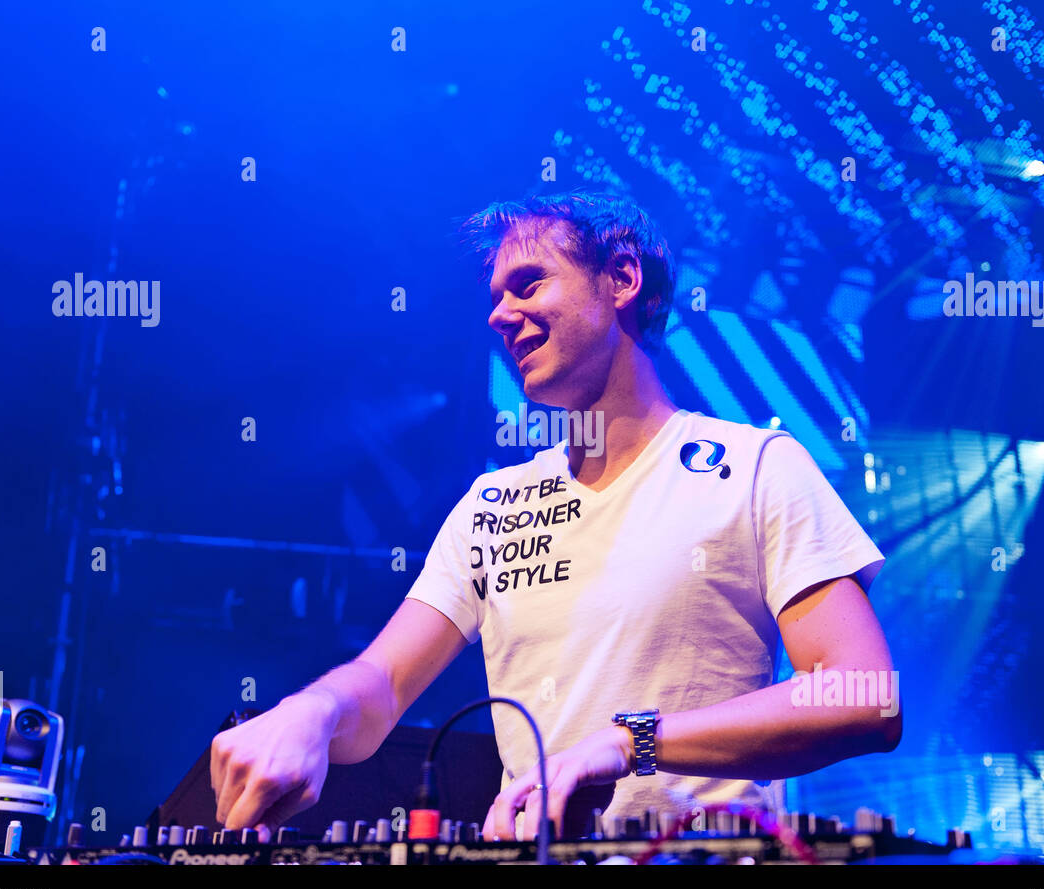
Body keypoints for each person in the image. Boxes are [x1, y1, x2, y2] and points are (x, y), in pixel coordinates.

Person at [210, 192, 900, 842]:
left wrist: (630, 741)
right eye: (494, 297)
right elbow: (384, 686)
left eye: (527, 284)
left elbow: (864, 696)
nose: (498, 315)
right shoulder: (492, 504)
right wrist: (313, 709)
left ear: (622, 278)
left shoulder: (755, 466)